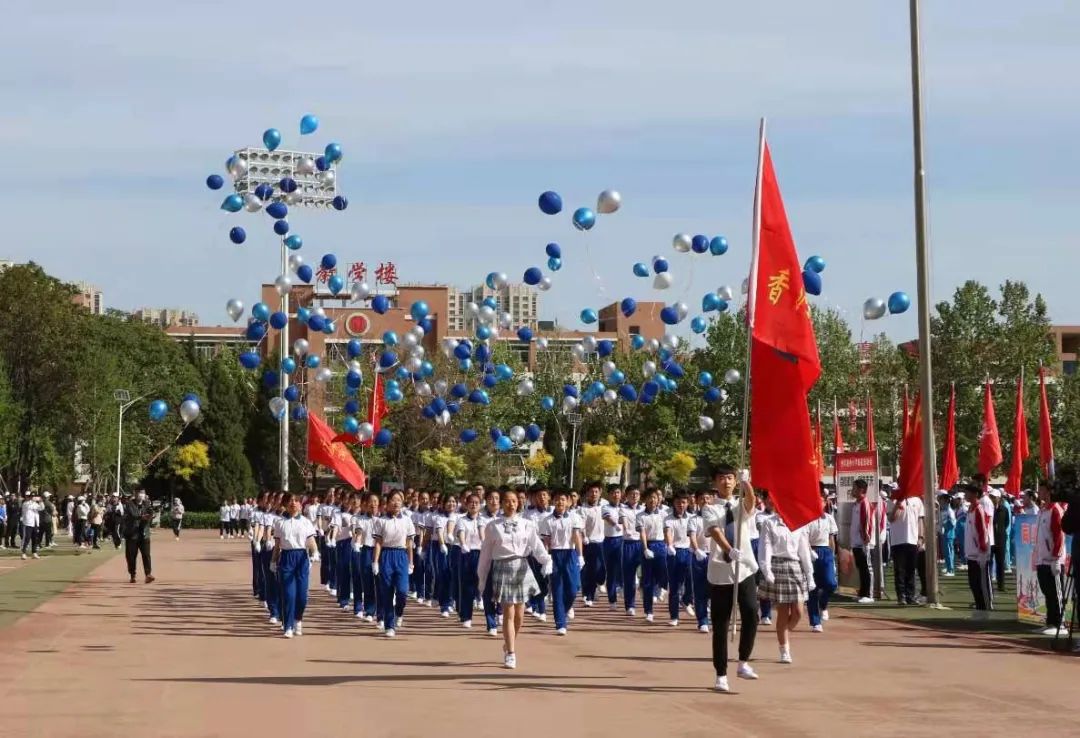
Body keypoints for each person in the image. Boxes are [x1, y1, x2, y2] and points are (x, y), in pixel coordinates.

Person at [477, 488, 553, 669]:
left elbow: (536, 545)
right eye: (507, 501)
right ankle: (511, 652)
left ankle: (508, 642)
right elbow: (485, 554)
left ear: (519, 503)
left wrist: (546, 561)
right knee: (508, 613)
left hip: (522, 567)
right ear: (502, 504)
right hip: (502, 568)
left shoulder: (527, 524)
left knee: (520, 615)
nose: (511, 504)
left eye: (514, 501)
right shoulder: (493, 526)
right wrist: (482, 578)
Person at [703, 464, 759, 693]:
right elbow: (715, 531)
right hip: (721, 571)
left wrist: (747, 483)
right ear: (715, 483)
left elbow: (751, 503)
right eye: (722, 478)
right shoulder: (709, 509)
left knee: (751, 614)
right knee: (721, 624)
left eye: (730, 478)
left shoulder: (739, 505)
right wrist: (728, 549)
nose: (726, 482)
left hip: (743, 569)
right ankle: (721, 674)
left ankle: (743, 662)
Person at [758, 497, 815, 664]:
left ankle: (783, 631)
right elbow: (765, 546)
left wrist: (809, 574)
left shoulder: (799, 524)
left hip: (795, 566)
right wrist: (766, 569)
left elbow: (804, 550)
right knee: (783, 611)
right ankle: (784, 649)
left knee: (798, 612)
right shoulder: (770, 523)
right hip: (777, 565)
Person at [270, 493, 320, 638]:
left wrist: (315, 552)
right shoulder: (280, 523)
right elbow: (277, 545)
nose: (293, 503)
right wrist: (273, 561)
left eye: (296, 501)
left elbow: (310, 540)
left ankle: (298, 618)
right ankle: (288, 626)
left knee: (302, 596)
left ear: (300, 504)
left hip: (301, 558)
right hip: (286, 557)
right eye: (290, 501)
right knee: (289, 594)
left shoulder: (305, 522)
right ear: (285, 504)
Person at [538, 489, 584, 636]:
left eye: (563, 499)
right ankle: (560, 623)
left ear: (569, 502)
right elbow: (546, 541)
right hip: (555, 554)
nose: (560, 502)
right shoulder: (547, 520)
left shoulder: (574, 518)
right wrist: (546, 558)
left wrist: (580, 555)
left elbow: (576, 536)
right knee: (557, 589)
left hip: (570, 554)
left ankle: (566, 608)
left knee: (573, 587)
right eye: (557, 499)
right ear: (553, 501)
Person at [372, 490, 416, 638]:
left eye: (399, 500)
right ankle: (389, 625)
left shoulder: (407, 520)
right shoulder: (381, 520)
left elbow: (410, 543)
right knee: (387, 592)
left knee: (403, 591)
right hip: (386, 555)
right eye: (393, 500)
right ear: (388, 502)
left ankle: (399, 612)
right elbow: (378, 543)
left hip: (401, 555)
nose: (396, 502)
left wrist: (411, 562)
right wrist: (375, 562)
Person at [1034, 486, 1065, 635]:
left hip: (1053, 559)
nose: (1039, 493)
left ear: (1049, 492)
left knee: (1056, 593)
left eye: (1042, 490)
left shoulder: (1055, 509)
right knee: (1047, 593)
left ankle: (1060, 624)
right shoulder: (1042, 510)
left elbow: (1059, 535)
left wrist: (1056, 558)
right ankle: (1051, 622)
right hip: (1042, 559)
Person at [804, 494, 838, 631]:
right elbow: (803, 537)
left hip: (825, 551)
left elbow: (831, 539)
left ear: (825, 503)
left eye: (821, 501)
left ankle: (823, 604)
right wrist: (807, 552)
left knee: (831, 583)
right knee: (812, 587)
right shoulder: (807, 518)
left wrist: (833, 557)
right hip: (810, 550)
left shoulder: (829, 518)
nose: (819, 503)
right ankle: (815, 621)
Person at [663, 491, 695, 627]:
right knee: (675, 586)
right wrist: (670, 545)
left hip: (690, 551)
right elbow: (668, 532)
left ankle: (686, 600)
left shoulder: (692, 518)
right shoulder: (668, 519)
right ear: (674, 504)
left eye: (683, 502)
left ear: (687, 503)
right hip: (675, 553)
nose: (681, 505)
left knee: (692, 582)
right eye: (678, 502)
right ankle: (674, 616)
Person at [637, 488, 668, 623]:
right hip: (649, 545)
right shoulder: (640, 516)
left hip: (661, 545)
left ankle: (662, 587)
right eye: (650, 497)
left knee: (664, 572)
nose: (652, 500)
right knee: (648, 580)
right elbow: (642, 532)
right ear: (645, 500)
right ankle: (649, 611)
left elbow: (668, 530)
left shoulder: (664, 513)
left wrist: (669, 545)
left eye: (655, 497)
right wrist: (645, 548)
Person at [454, 492, 485, 629]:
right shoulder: (461, 520)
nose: (473, 505)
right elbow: (460, 533)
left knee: (482, 584)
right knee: (467, 586)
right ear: (466, 504)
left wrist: (485, 544)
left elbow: (483, 534)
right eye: (471, 502)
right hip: (466, 553)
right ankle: (466, 616)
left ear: (480, 505)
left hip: (481, 553)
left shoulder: (482, 519)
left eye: (476, 503)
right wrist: (463, 544)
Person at [888, 492, 924, 605]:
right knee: (899, 570)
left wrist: (921, 537)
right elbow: (891, 518)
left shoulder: (917, 501)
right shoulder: (893, 500)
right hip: (898, 540)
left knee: (911, 570)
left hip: (913, 540)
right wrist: (898, 504)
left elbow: (920, 520)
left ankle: (910, 596)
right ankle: (901, 596)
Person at [963, 483, 993, 619]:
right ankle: (979, 608)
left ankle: (984, 609)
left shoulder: (979, 510)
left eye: (968, 492)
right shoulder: (970, 509)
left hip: (979, 554)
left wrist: (982, 552)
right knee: (973, 583)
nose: (965, 495)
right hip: (970, 554)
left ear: (975, 495)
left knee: (981, 584)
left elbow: (983, 532)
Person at [688, 489, 713, 632]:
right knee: (700, 589)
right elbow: (692, 536)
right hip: (699, 556)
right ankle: (702, 620)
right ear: (697, 501)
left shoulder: (717, 517)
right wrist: (697, 550)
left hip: (714, 556)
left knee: (716, 589)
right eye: (702, 498)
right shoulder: (693, 519)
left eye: (708, 498)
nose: (705, 501)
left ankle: (715, 617)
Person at [578, 482, 606, 608]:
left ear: (600, 493)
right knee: (590, 570)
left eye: (596, 492)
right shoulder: (583, 509)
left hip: (604, 542)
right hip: (590, 543)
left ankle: (600, 582)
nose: (594, 494)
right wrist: (584, 537)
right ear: (587, 493)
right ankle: (588, 595)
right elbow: (581, 526)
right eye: (591, 492)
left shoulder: (605, 506)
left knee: (602, 569)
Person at [122, 489, 155, 584]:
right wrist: (142, 517)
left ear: (144, 494)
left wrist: (151, 515)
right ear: (134, 494)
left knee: (146, 555)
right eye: (138, 493)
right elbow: (133, 514)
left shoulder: (147, 503)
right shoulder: (129, 504)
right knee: (131, 556)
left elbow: (151, 512)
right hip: (132, 534)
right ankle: (133, 575)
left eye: (142, 493)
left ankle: (148, 574)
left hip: (144, 534)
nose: (140, 495)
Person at [850, 480, 875, 603]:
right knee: (861, 567)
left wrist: (866, 538)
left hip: (863, 542)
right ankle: (862, 592)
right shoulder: (856, 504)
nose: (852, 490)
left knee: (866, 567)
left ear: (861, 490)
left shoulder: (865, 503)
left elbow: (868, 522)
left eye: (854, 488)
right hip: (855, 542)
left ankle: (869, 595)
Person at [600, 486, 624, 609]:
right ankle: (612, 599)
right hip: (610, 541)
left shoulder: (624, 507)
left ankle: (621, 586)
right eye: (613, 493)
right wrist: (616, 524)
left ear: (621, 494)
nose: (616, 495)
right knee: (611, 570)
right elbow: (607, 517)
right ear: (609, 495)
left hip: (623, 540)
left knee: (623, 566)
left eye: (618, 492)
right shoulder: (605, 507)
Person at [990, 490, 1011, 591]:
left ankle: (1001, 585)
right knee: (988, 563)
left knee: (1000, 564)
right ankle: (988, 584)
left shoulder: (1004, 509)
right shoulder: (989, 509)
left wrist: (1000, 531)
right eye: (991, 497)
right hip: (990, 540)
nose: (992, 499)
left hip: (1000, 540)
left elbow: (1007, 522)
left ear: (999, 498)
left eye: (994, 497)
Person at [20, 492, 42, 560]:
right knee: (27, 538)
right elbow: (29, 507)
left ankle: (34, 552)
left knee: (35, 539)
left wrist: (41, 501)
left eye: (33, 496)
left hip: (35, 523)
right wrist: (33, 501)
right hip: (28, 523)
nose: (32, 497)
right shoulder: (25, 503)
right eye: (31, 496)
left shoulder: (35, 504)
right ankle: (23, 553)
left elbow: (41, 508)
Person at [941, 496, 958, 577]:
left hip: (949, 534)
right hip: (946, 533)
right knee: (947, 552)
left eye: (942, 499)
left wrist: (946, 524)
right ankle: (948, 568)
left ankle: (951, 570)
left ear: (946, 501)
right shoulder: (946, 510)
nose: (941, 501)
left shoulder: (949, 511)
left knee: (949, 552)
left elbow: (953, 522)